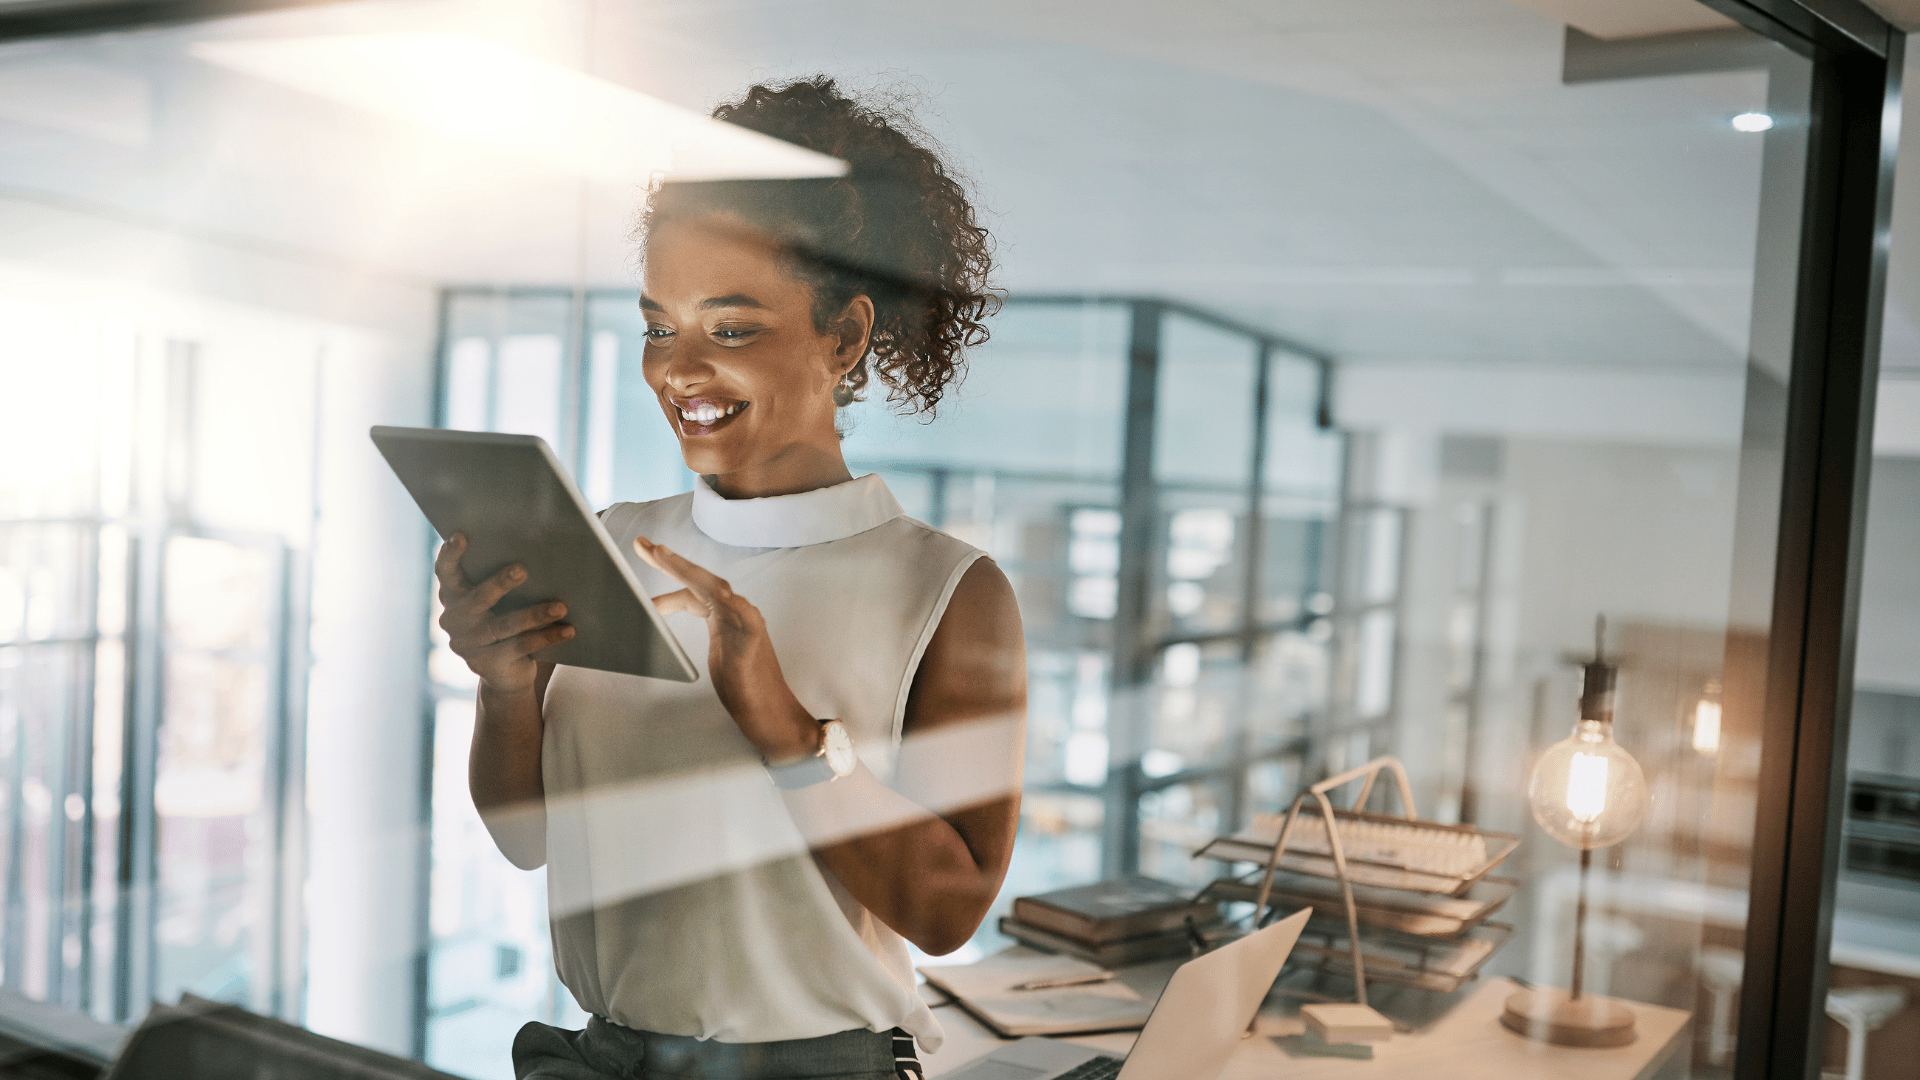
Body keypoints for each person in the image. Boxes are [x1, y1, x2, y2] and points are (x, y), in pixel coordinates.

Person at [432, 77, 1025, 1080]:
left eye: (733, 328)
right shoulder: (607, 542)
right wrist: (503, 686)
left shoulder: (947, 591)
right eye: (660, 326)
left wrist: (790, 738)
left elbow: (948, 911)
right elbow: (526, 837)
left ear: (844, 339)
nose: (678, 369)